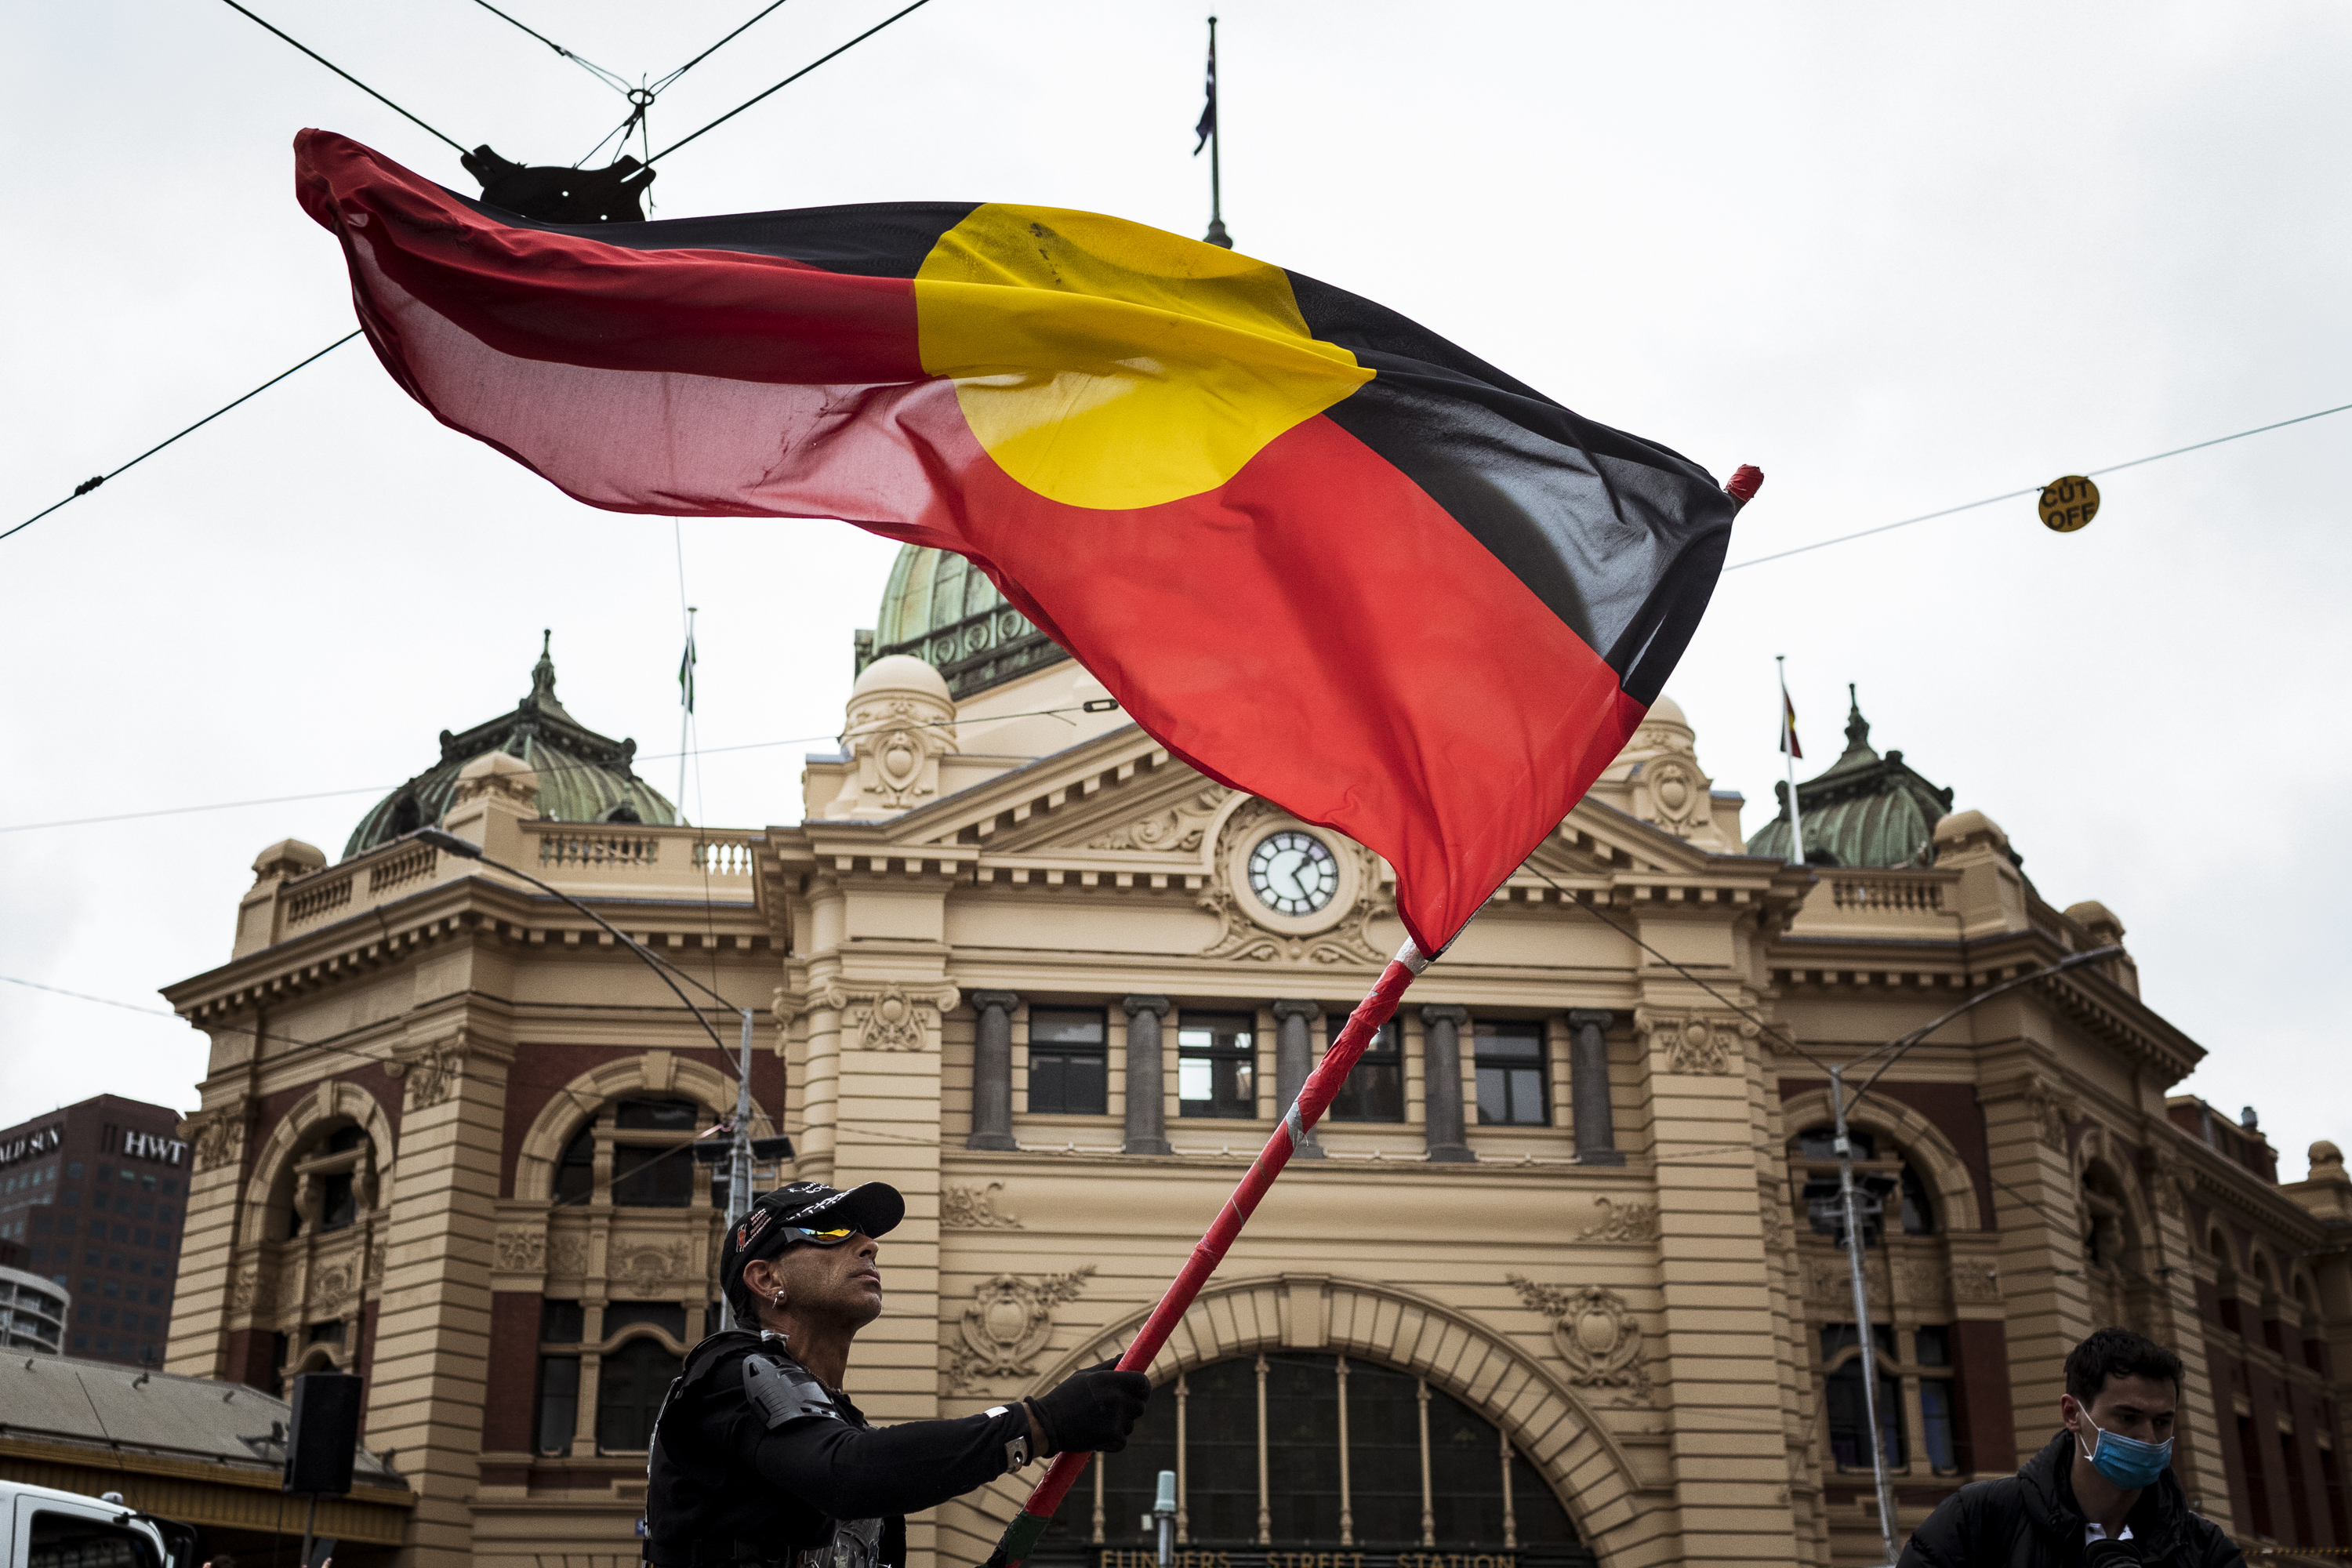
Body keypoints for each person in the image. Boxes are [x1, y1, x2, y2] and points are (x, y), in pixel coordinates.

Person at [644, 1180, 1149, 1568]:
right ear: (765, 1277)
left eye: (865, 1235)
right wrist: (1039, 1424)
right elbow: (851, 1474)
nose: (868, 1246)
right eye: (830, 1230)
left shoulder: (840, 1423)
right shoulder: (729, 1375)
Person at [1900, 1327, 2242, 1568]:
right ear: (2072, 1413)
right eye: (2128, 1418)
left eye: (2162, 1422)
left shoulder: (2206, 1550)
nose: (2149, 1438)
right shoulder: (1977, 1520)